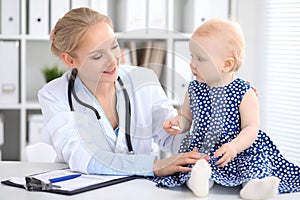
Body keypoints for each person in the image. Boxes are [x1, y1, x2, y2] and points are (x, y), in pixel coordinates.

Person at [38, 7, 209, 177]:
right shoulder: (54, 95)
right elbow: (82, 156)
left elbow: (172, 137)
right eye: (97, 56)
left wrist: (193, 131)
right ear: (70, 60)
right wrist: (153, 166)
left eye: (114, 46)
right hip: (83, 191)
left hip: (138, 190)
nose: (113, 61)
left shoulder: (143, 79)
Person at [151, 18, 300, 199]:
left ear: (227, 64)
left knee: (255, 164)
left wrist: (234, 147)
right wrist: (177, 123)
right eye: (192, 56)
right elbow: (186, 117)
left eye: (200, 59)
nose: (192, 64)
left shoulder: (244, 92)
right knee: (195, 164)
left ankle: (253, 186)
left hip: (240, 150)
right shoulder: (194, 89)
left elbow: (251, 128)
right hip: (205, 147)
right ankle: (200, 181)